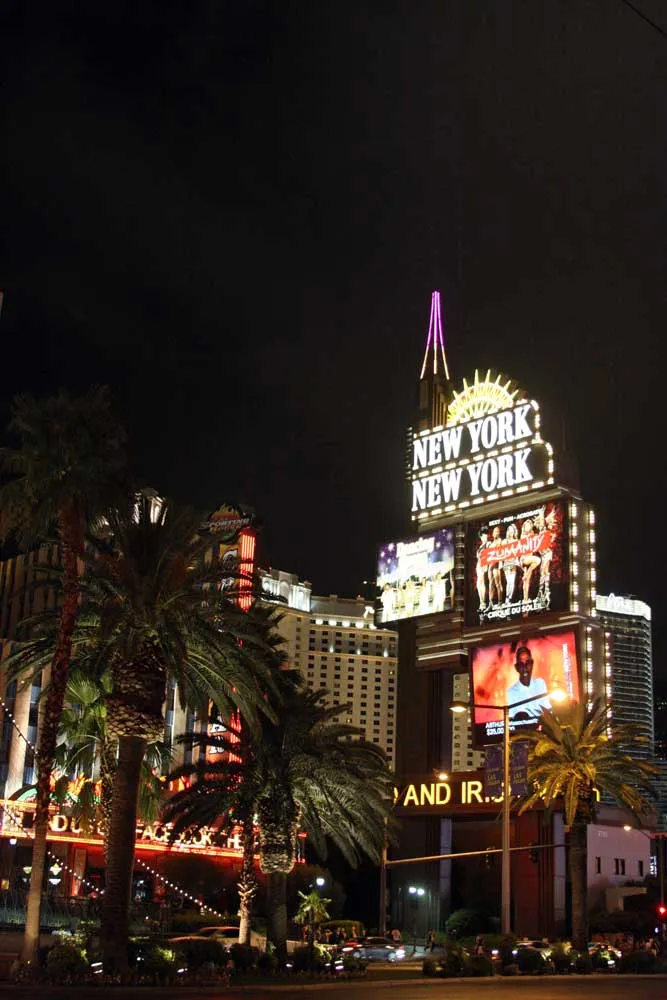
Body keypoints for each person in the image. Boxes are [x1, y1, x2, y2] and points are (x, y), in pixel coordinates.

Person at [507, 645, 551, 720]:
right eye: (521, 664)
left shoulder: (540, 684)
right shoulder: (511, 692)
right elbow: (510, 721)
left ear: (532, 664)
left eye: (528, 663)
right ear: (516, 667)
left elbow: (549, 710)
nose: (525, 668)